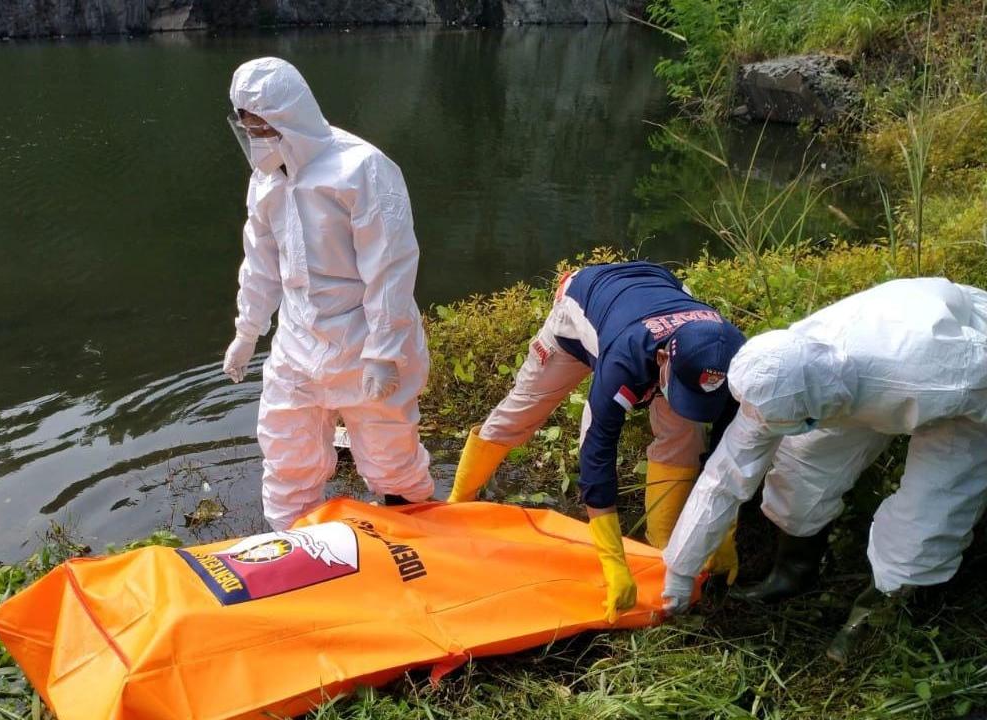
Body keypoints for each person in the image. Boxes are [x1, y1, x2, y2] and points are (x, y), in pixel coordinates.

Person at [661, 277, 987, 661]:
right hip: (854, 384)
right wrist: (680, 574)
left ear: (817, 408)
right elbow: (723, 478)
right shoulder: (775, 373)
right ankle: (793, 572)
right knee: (799, 475)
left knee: (929, 514)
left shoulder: (944, 372)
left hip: (967, 393)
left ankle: (880, 615)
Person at [445, 261, 745, 621]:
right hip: (581, 307)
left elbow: (733, 447)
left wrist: (724, 530)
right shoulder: (625, 358)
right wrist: (613, 562)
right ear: (663, 359)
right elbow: (597, 449)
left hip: (661, 301)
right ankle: (458, 502)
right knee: (524, 410)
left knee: (684, 432)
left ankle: (662, 548)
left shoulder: (733, 357)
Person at [220, 57, 434, 531]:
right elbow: (260, 262)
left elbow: (390, 267)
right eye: (247, 126)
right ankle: (293, 550)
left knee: (389, 457)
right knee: (286, 452)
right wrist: (247, 331)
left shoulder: (361, 170)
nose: (255, 136)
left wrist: (384, 351)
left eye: (261, 126)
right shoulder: (267, 178)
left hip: (362, 340)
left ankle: (418, 536)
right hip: (298, 343)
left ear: (286, 117)